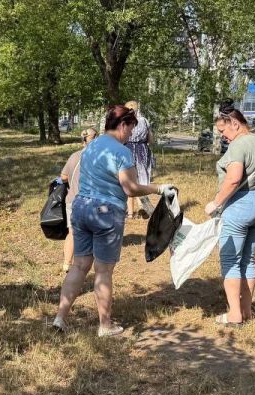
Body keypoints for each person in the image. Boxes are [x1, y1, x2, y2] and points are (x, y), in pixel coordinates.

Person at [52, 105, 174, 337]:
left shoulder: (91, 146)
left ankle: (60, 318)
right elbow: (131, 188)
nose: (131, 134)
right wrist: (159, 188)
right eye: (131, 128)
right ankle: (105, 325)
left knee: (79, 266)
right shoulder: (121, 152)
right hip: (106, 213)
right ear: (122, 125)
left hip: (81, 208)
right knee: (103, 271)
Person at [204, 104, 255, 326]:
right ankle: (246, 310)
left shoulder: (238, 145)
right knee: (248, 259)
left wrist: (215, 203)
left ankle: (234, 314)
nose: (223, 136)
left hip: (241, 205)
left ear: (234, 123)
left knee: (230, 260)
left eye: (223, 131)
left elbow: (233, 179)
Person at [60, 127, 98, 273]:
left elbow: (63, 177)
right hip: (90, 201)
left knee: (72, 233)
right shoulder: (97, 158)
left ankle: (66, 263)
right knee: (91, 234)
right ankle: (83, 266)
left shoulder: (74, 156)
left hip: (72, 200)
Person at [124, 100, 156, 218]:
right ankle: (145, 209)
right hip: (142, 152)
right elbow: (150, 139)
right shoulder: (144, 121)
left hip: (127, 150)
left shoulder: (125, 121)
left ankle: (130, 213)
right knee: (142, 182)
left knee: (129, 181)